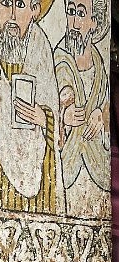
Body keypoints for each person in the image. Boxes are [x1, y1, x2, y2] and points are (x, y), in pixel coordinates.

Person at [0, 0, 65, 214]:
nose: (13, 15)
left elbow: (53, 111)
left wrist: (44, 118)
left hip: (37, 161)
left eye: (21, 4)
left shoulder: (40, 44)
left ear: (34, 10)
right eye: (6, 3)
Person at [54, 0, 109, 218]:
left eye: (81, 13)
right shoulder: (58, 56)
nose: (75, 22)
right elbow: (49, 99)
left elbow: (105, 99)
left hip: (96, 165)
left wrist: (100, 115)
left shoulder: (98, 59)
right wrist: (62, 116)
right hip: (69, 162)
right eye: (70, 12)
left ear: (93, 22)